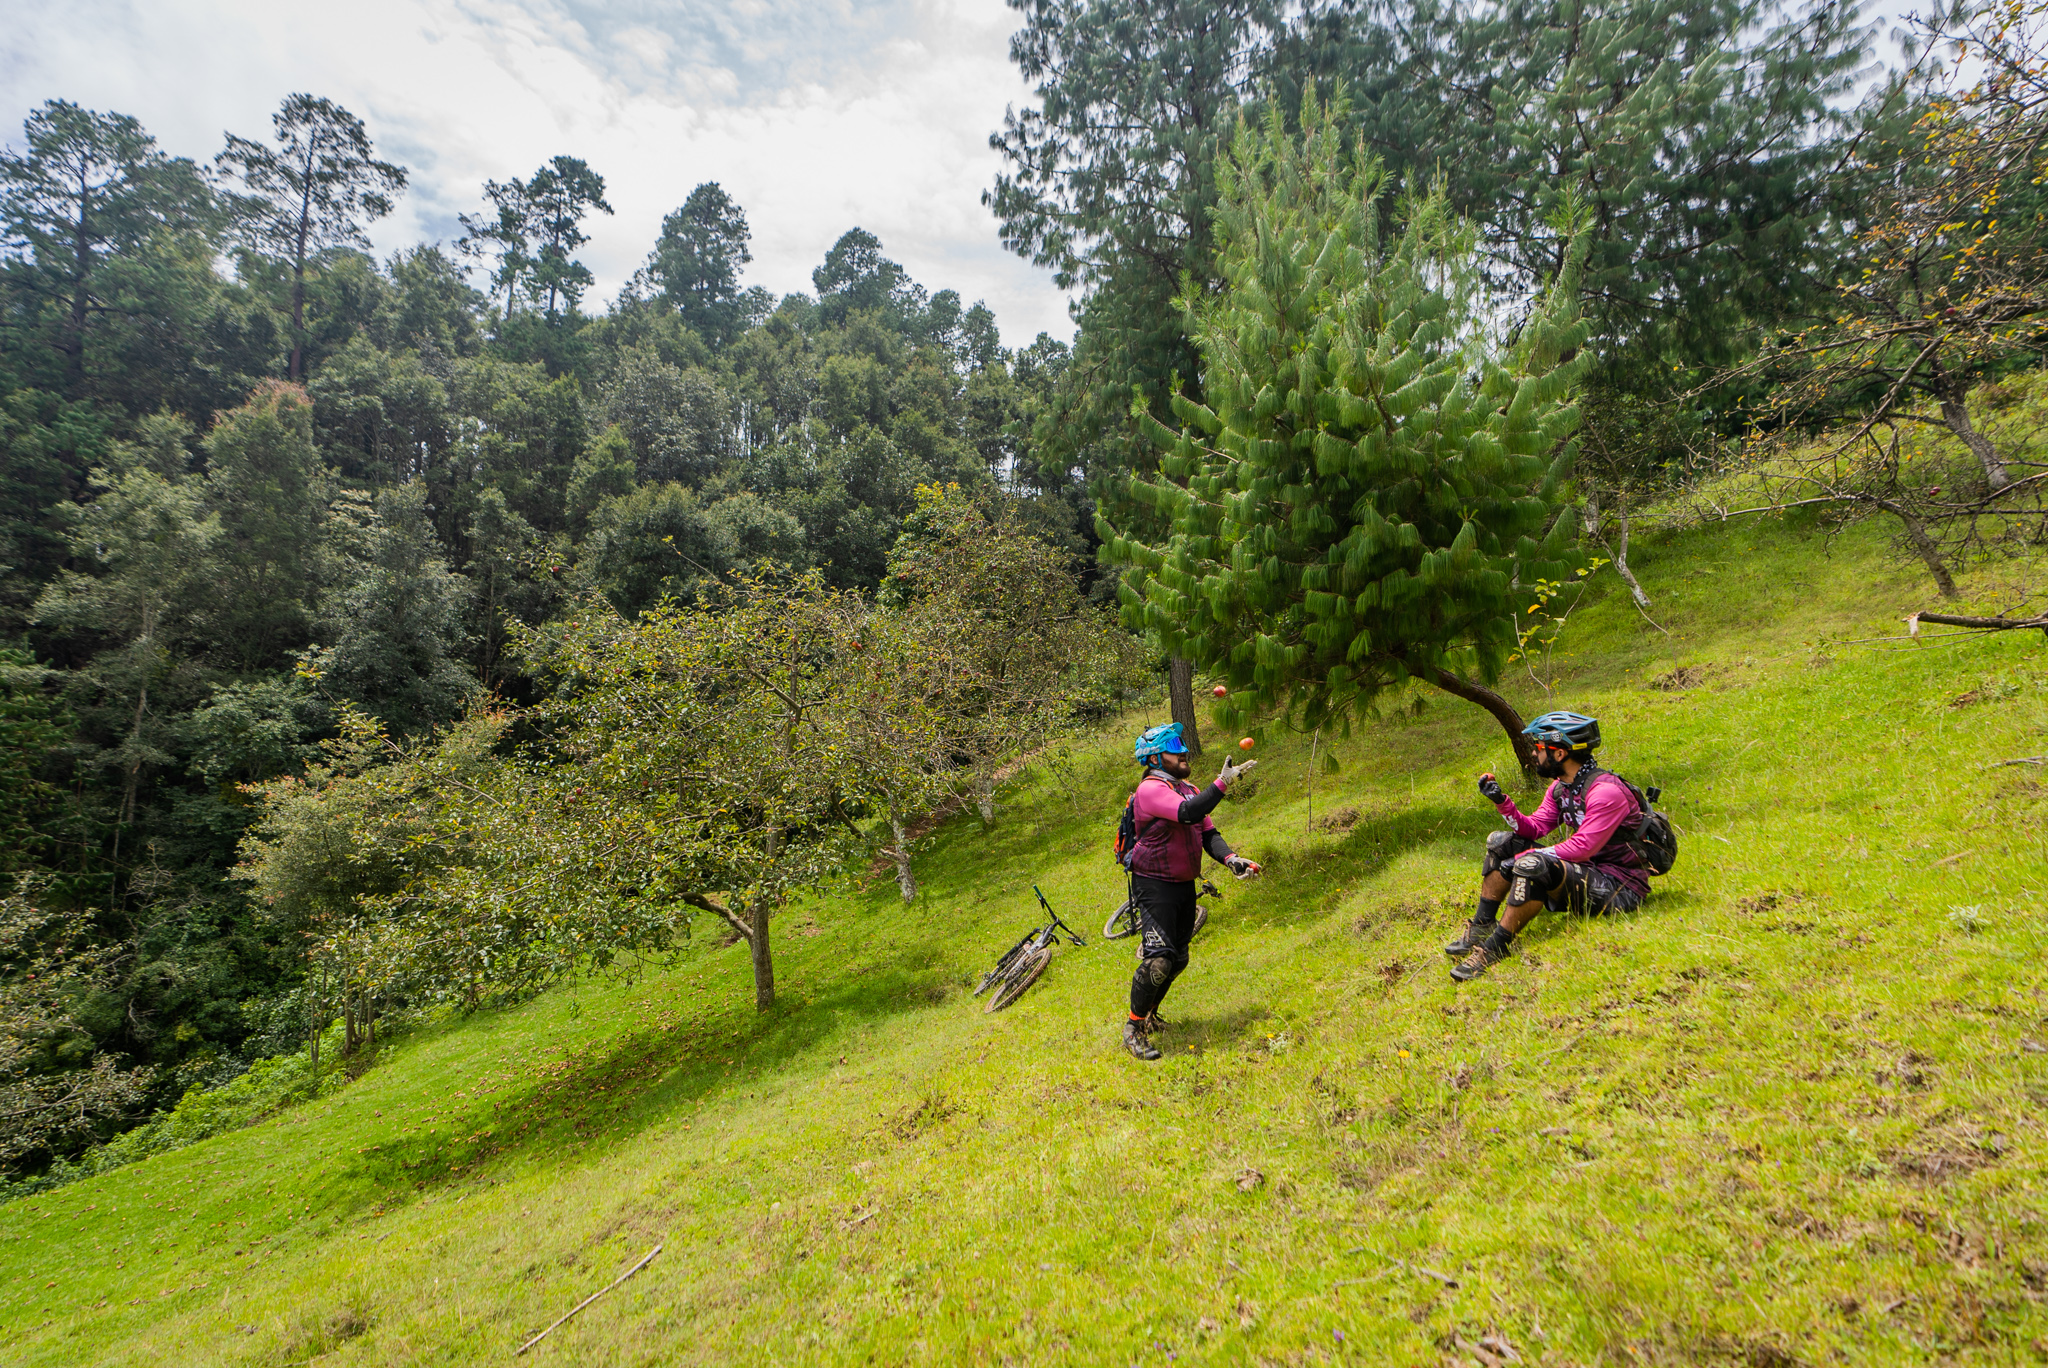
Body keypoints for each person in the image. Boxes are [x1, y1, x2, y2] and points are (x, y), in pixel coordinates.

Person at [1444, 710, 1649, 982]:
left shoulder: (1605, 792)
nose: (1533, 754)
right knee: (1500, 842)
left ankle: (1495, 948)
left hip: (1618, 888)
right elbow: (1536, 827)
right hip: (1586, 871)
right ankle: (1482, 926)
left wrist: (1530, 855)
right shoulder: (1561, 787)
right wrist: (1502, 802)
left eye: (1539, 747)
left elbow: (1582, 847)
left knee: (1531, 863)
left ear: (1560, 753)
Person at [1121, 722, 1261, 1060]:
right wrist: (1222, 783)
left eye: (1183, 746)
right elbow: (1187, 814)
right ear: (1155, 757)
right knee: (1159, 962)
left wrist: (1231, 859)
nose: (1184, 753)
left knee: (1178, 958)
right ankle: (1133, 1029)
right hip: (1154, 884)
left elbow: (1206, 832)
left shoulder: (1187, 788)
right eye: (1175, 748)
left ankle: (1150, 1016)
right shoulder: (1151, 790)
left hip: (1183, 882)